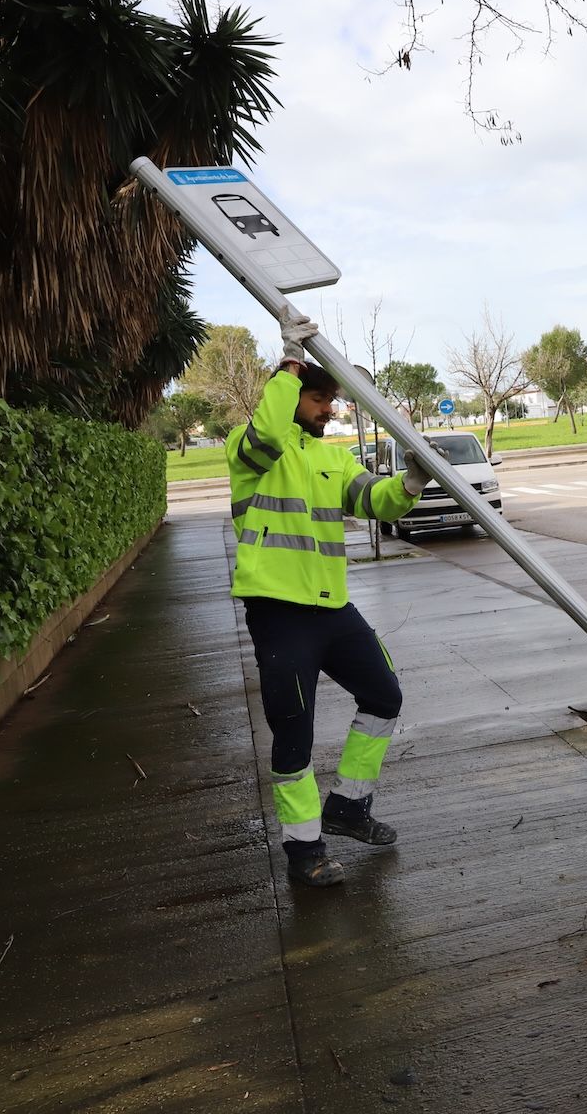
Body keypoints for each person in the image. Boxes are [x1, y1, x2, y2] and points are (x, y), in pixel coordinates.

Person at [227, 311, 427, 887]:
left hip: (332, 608)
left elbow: (375, 502)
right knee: (294, 732)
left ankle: (348, 808)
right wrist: (289, 362)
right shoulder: (252, 451)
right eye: (318, 398)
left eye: (331, 400)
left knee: (384, 696)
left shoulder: (332, 456)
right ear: (290, 394)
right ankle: (304, 851)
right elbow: (267, 433)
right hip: (279, 612)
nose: (329, 409)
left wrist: (410, 482)